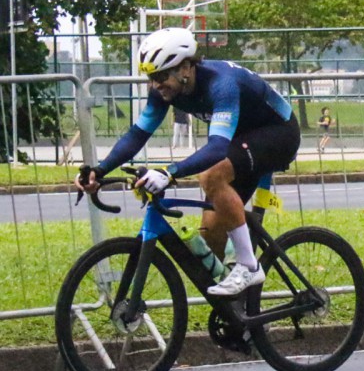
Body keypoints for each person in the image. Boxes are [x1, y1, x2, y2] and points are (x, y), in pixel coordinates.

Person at [76, 27, 300, 296]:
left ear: (185, 67)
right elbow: (138, 134)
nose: (156, 85)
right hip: (241, 140)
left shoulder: (222, 84)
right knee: (211, 237)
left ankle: (249, 267)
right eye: (151, 77)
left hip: (279, 134)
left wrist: (169, 172)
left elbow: (217, 148)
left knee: (210, 176)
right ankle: (240, 316)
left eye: (160, 76)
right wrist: (100, 170)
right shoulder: (164, 92)